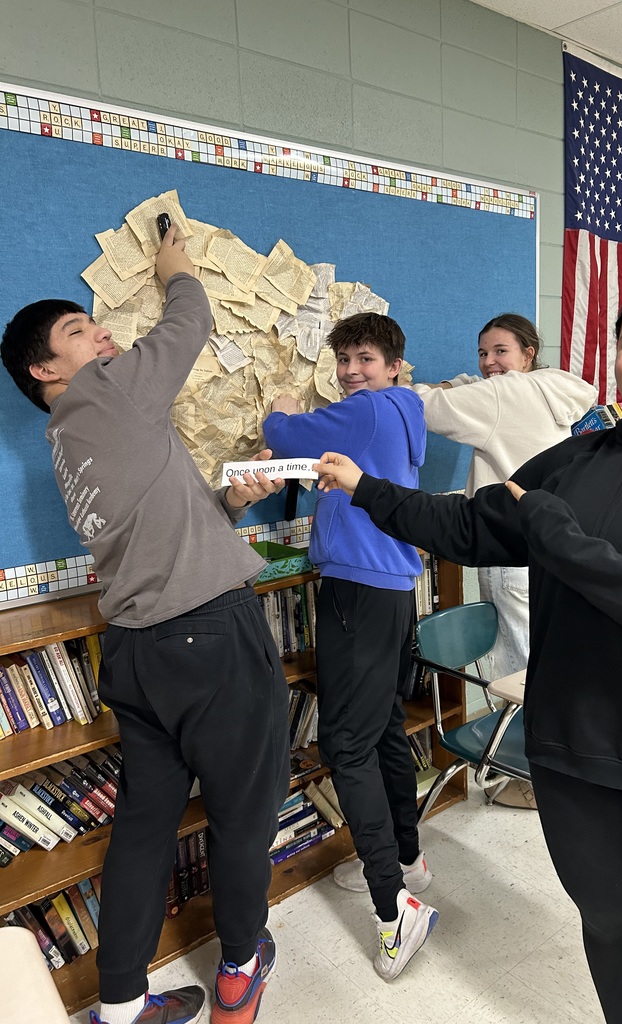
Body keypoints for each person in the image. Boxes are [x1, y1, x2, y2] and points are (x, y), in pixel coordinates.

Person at [312, 278, 622, 1024]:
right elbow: (470, 525)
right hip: (572, 748)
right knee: (612, 926)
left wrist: (554, 534)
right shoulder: (580, 458)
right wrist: (368, 489)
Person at [1, 227, 290, 1024]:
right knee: (244, 814)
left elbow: (160, 516)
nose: (99, 332)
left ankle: (122, 1006)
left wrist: (231, 504)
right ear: (45, 370)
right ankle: (239, 968)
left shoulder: (69, 440)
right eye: (76, 331)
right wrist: (176, 269)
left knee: (142, 828)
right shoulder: (105, 391)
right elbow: (187, 321)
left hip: (136, 653)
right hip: (209, 639)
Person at [263, 312, 439, 981]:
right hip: (386, 588)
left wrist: (282, 408)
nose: (349, 371)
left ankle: (395, 913)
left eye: (363, 357)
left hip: (359, 591)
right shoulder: (398, 411)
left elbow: (281, 435)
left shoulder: (367, 409)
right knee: (382, 729)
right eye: (342, 360)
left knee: (346, 744)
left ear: (394, 364)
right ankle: (406, 859)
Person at [412, 313, 596, 679]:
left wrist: (418, 387)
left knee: (514, 667)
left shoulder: (503, 394)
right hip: (547, 544)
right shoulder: (555, 388)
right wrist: (460, 382)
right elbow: (478, 387)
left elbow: (423, 406)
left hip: (505, 547)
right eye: (482, 353)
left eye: (500, 351)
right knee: (543, 654)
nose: (487, 362)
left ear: (528, 354)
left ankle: (518, 735)